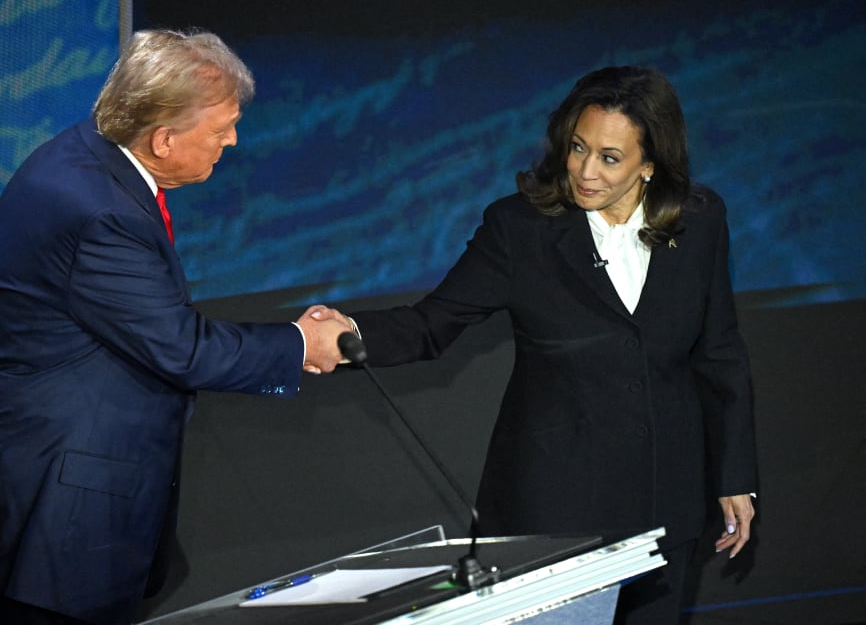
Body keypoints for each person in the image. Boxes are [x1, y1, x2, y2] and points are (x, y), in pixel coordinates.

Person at [0, 29, 350, 625]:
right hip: (53, 516)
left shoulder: (84, 156)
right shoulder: (100, 211)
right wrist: (302, 342)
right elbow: (180, 347)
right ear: (164, 137)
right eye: (222, 126)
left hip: (36, 492)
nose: (232, 138)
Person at [309, 66, 757, 624]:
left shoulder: (699, 220)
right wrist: (345, 335)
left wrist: (735, 475)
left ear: (650, 164)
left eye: (610, 158)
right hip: (554, 506)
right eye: (577, 148)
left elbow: (720, 351)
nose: (585, 171)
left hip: (665, 501)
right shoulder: (520, 228)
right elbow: (432, 323)